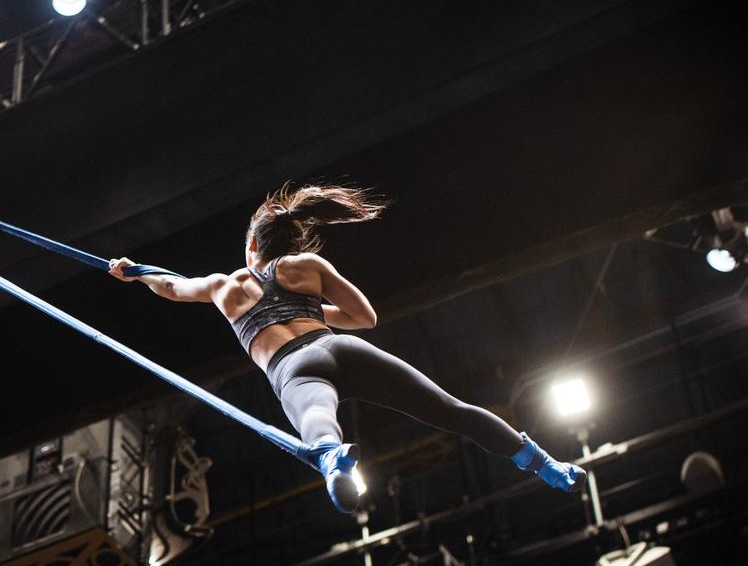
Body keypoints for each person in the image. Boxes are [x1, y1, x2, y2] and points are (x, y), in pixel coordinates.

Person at [109, 183, 586, 513]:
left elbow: (172, 288)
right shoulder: (306, 266)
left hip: (292, 366)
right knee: (452, 410)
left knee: (316, 415)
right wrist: (313, 315)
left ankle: (331, 453)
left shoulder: (222, 286)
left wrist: (132, 273)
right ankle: (544, 463)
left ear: (251, 245)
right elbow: (365, 318)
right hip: (339, 347)